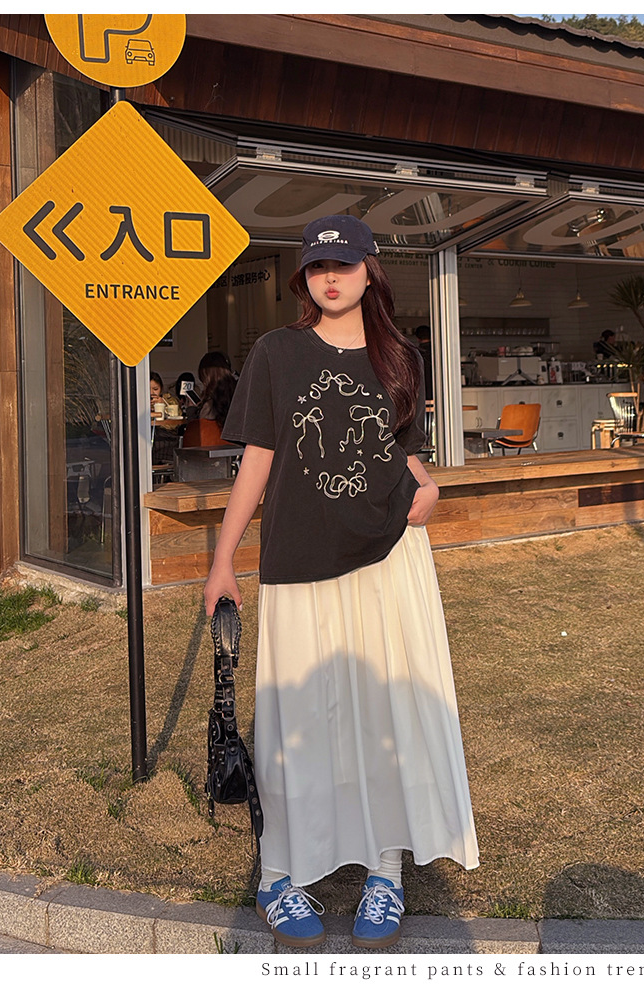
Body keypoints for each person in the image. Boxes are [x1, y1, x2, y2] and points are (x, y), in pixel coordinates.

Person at [204, 214, 478, 950]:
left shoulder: (400, 356)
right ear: (304, 277)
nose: (331, 278)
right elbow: (258, 460)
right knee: (295, 718)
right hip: (298, 559)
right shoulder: (277, 352)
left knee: (382, 715)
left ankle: (385, 873)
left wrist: (431, 487)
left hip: (388, 558)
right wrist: (224, 559)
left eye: (344, 265)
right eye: (318, 267)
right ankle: (278, 875)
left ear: (369, 271)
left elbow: (402, 453)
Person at [415, 324, 434, 401]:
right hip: (437, 388)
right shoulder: (437, 352)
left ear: (418, 338)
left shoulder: (416, 353)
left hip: (421, 390)